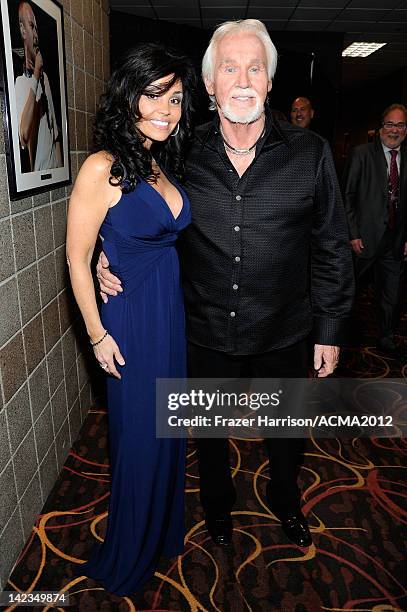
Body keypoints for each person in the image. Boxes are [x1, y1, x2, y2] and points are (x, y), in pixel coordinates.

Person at [98, 20, 354, 549]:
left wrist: (329, 329)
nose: (243, 80)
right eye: (230, 68)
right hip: (202, 327)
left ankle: (286, 502)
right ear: (210, 85)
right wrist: (106, 250)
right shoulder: (176, 150)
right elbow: (128, 200)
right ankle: (217, 508)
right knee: (209, 433)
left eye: (255, 68)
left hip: (285, 329)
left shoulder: (310, 153)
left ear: (269, 81)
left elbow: (332, 245)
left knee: (285, 435)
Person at [66, 44, 195, 595]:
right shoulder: (103, 165)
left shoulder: (159, 159)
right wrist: (96, 335)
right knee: (140, 436)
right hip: (129, 320)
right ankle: (131, 547)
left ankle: (161, 530)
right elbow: (75, 254)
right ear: (129, 95)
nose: (167, 108)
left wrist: (107, 253)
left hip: (168, 312)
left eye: (177, 98)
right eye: (155, 94)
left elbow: (137, 234)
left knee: (167, 429)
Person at [343, 103, 407, 355]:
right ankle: (342, 332)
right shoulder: (361, 154)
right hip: (364, 239)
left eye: (400, 125)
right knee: (350, 290)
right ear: (381, 127)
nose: (395, 130)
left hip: (395, 240)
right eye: (390, 124)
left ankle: (386, 336)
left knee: (391, 294)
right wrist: (353, 233)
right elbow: (347, 195)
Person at [15, 1, 62, 171]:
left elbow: (55, 136)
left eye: (36, 28)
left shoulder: (46, 80)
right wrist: (35, 75)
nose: (36, 35)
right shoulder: (21, 83)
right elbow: (23, 136)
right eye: (31, 27)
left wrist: (60, 171)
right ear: (22, 30)